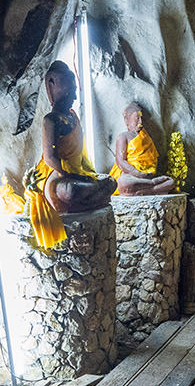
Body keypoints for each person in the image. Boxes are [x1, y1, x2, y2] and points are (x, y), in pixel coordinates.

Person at [26, 61, 116, 249]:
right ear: (52, 87)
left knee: (111, 181)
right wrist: (68, 173)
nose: (74, 95)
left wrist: (83, 173)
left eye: (74, 90)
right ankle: (90, 198)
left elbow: (81, 155)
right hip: (60, 178)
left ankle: (89, 197)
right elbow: (50, 157)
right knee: (70, 191)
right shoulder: (50, 120)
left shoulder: (73, 116)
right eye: (69, 91)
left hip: (78, 174)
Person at [109, 102, 174, 195]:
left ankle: (146, 188)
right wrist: (137, 173)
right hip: (131, 175)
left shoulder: (146, 137)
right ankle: (152, 187)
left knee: (171, 182)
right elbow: (121, 161)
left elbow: (152, 159)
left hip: (147, 176)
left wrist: (149, 174)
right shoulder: (123, 136)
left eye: (141, 118)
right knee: (123, 183)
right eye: (137, 118)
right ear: (127, 120)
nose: (140, 122)